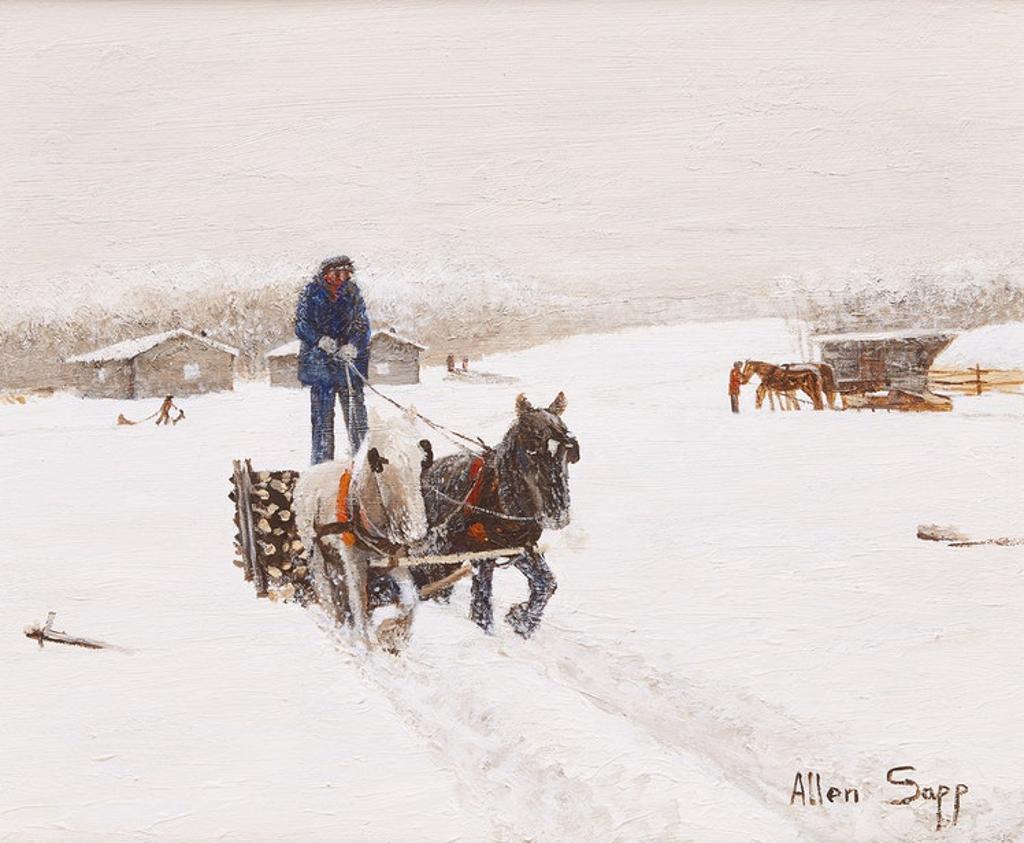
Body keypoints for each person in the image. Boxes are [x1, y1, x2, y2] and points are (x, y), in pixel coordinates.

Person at [295, 255, 372, 464]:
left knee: (358, 421)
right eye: (338, 274)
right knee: (322, 424)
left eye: (347, 274)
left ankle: (364, 463)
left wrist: (354, 346)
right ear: (326, 275)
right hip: (320, 368)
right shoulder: (311, 293)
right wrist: (319, 340)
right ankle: (321, 467)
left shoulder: (353, 293)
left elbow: (362, 325)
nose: (342, 278)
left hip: (348, 367)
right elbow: (301, 325)